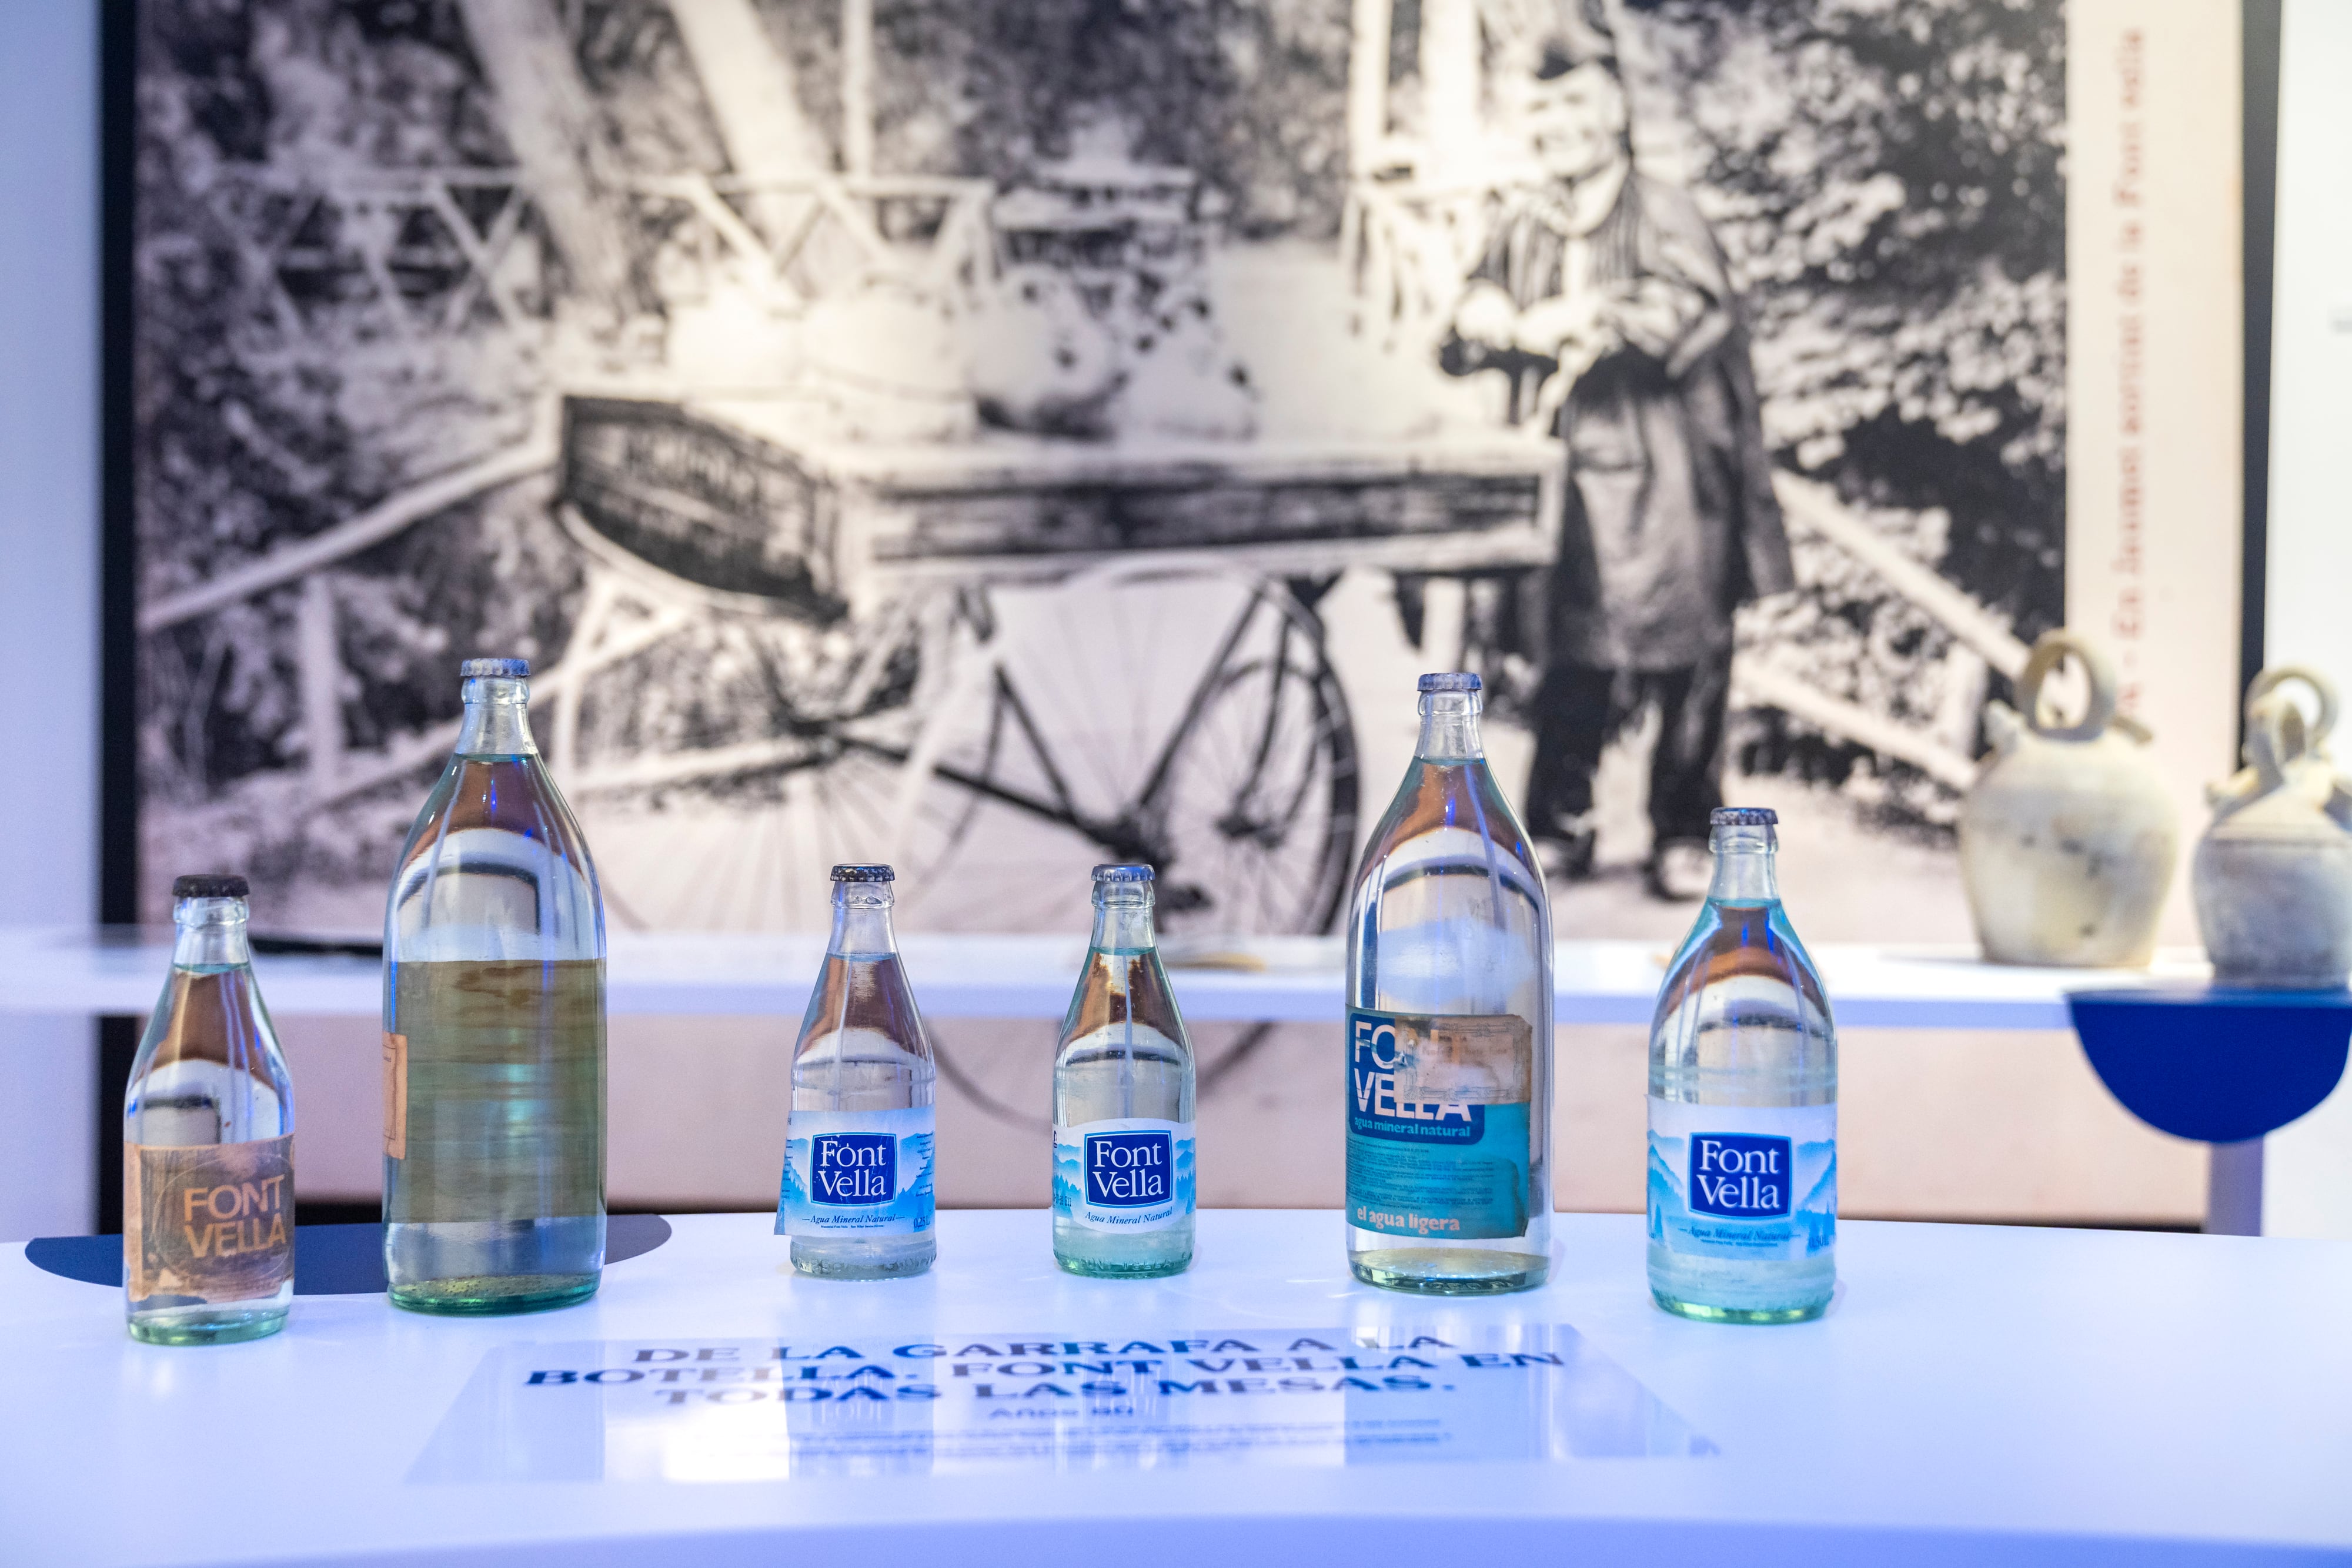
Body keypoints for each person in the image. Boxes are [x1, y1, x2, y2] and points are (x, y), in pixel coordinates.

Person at [1439, 29, 1793, 901]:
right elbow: (1463, 321)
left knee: (1686, 645)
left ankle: (1684, 829)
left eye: (1573, 104)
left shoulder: (1663, 210)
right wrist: (1479, 311)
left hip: (1670, 468)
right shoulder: (1526, 220)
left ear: (1614, 113)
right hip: (1566, 474)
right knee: (1570, 645)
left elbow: (1692, 308)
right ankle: (1561, 824)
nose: (1556, 124)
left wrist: (1592, 314)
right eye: (1542, 107)